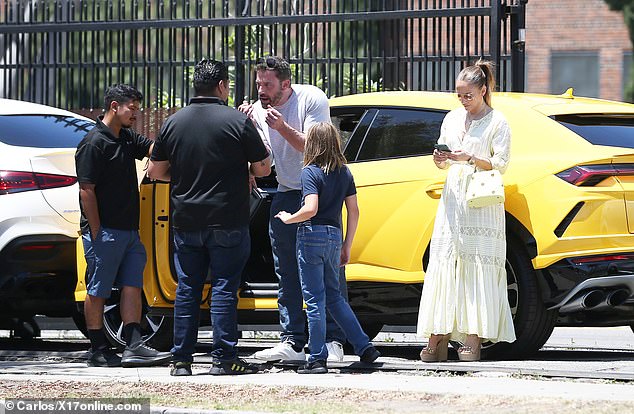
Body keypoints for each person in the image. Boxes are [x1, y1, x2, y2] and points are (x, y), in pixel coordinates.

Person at [147, 59, 271, 376]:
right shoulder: (236, 122)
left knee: (187, 289)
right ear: (221, 86)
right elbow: (263, 169)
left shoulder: (173, 123)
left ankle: (181, 361)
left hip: (186, 219)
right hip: (227, 219)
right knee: (224, 288)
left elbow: (157, 172)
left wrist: (188, 174)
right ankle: (223, 358)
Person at [239, 56, 350, 363]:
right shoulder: (259, 110)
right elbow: (265, 162)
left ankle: (332, 340)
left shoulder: (311, 99)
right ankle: (292, 339)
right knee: (286, 268)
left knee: (326, 269)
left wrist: (282, 126)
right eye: (258, 83)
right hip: (287, 190)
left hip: (319, 191)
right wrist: (249, 133)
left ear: (285, 84)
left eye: (267, 84)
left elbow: (316, 149)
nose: (261, 89)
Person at [416, 60, 515, 362]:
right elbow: (446, 159)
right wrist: (441, 158)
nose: (463, 101)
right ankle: (438, 335)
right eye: (459, 95)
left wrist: (470, 157)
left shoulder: (498, 122)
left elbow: (501, 163)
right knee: (446, 259)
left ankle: (474, 337)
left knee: (476, 264)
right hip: (453, 198)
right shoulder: (452, 118)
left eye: (468, 95)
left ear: (483, 90)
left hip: (481, 201)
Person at [75, 84, 173, 368]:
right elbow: (86, 190)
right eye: (132, 108)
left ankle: (133, 345)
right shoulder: (94, 143)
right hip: (104, 232)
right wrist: (96, 232)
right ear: (115, 106)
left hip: (130, 231)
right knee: (99, 290)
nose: (136, 114)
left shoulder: (126, 137)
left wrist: (178, 141)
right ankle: (97, 348)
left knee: (132, 286)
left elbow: (154, 150)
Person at [275, 122, 380, 373]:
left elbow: (310, 208)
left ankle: (317, 357)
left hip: (310, 236)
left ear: (312, 144)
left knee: (314, 299)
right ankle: (365, 347)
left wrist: (289, 217)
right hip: (334, 236)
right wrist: (347, 244)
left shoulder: (310, 172)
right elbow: (353, 210)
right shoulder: (344, 172)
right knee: (334, 297)